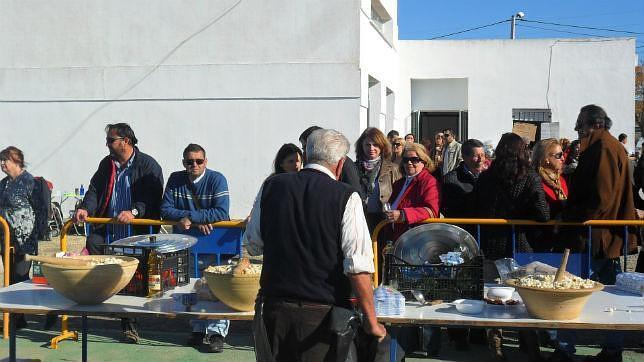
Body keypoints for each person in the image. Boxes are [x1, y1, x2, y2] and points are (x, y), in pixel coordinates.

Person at [245, 128, 386, 361]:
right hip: (322, 315)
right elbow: (357, 266)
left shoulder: (272, 186)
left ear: (307, 155)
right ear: (340, 164)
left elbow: (253, 244)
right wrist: (372, 323)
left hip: (273, 309)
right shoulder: (346, 196)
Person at [73, 123, 164, 343]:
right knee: (97, 259)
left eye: (111, 140)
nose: (107, 144)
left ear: (126, 141)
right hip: (107, 230)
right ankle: (98, 306)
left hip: (135, 232)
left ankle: (128, 322)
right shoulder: (107, 164)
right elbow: (95, 189)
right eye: (107, 140)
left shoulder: (148, 165)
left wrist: (134, 211)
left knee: (132, 279)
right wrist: (85, 207)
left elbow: (153, 197)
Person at [563, 105, 637, 362]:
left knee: (574, 294)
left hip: (598, 236)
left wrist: (575, 216)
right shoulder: (606, 145)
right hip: (602, 234)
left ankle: (574, 349)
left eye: (580, 124)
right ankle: (611, 350)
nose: (577, 130)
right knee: (608, 294)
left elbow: (602, 199)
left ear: (594, 124)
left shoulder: (603, 147)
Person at [475, 133, 548, 362]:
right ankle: (530, 346)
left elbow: (476, 209)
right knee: (525, 298)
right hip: (519, 245)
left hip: (490, 244)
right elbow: (543, 214)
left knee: (492, 298)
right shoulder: (530, 178)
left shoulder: (486, 177)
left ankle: (496, 349)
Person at [160, 143, 230, 353]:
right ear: (184, 163)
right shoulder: (175, 179)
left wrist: (192, 218)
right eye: (190, 162)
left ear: (206, 162)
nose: (194, 165)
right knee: (192, 286)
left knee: (218, 290)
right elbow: (165, 209)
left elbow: (222, 211)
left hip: (215, 243)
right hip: (187, 244)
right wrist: (189, 219)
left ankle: (217, 332)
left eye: (199, 161)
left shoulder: (217, 179)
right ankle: (198, 329)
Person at [0, 147, 41, 330]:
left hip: (25, 240)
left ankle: (18, 317)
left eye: (5, 160)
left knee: (20, 277)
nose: (2, 164)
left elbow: (41, 211)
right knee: (9, 279)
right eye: (1, 161)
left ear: (17, 161)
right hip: (6, 238)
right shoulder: (3, 184)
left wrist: (34, 238)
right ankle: (15, 318)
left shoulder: (30, 182)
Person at [386, 143, 439, 241]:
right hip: (397, 237)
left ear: (424, 161)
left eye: (414, 160)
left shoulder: (429, 181)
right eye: (406, 160)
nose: (409, 163)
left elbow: (431, 211)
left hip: (416, 239)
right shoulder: (399, 183)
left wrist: (404, 215)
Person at [354, 127, 401, 231]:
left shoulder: (393, 168)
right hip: (358, 220)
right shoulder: (352, 168)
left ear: (382, 146)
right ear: (361, 146)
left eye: (375, 145)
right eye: (368, 145)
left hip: (384, 221)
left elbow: (400, 196)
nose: (371, 148)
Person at [299, 125, 364, 199]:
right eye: (303, 148)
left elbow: (354, 193)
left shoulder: (342, 161)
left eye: (305, 147)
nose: (304, 153)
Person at [531, 138, 568, 252]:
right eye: (558, 155)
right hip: (540, 240)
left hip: (560, 239)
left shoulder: (561, 180)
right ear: (546, 159)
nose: (563, 158)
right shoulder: (534, 180)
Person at [441, 139, 487, 219]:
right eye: (476, 156)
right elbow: (449, 209)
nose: (480, 159)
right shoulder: (451, 180)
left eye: (482, 155)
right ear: (464, 157)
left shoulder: (489, 177)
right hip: (464, 228)